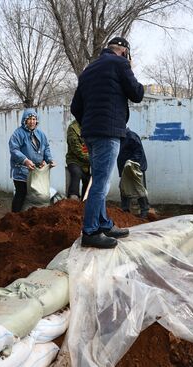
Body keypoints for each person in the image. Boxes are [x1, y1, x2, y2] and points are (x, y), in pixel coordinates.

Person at [71, 36, 144, 248]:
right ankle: (91, 231)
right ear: (124, 52)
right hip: (108, 132)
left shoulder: (88, 70)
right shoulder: (120, 63)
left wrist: (90, 122)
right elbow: (137, 93)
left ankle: (103, 223)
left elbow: (76, 107)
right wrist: (129, 67)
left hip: (91, 133)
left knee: (98, 179)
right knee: (101, 184)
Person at [9, 109, 55, 212]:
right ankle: (14, 217)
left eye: (34, 119)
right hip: (21, 171)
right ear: (24, 120)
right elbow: (14, 150)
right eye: (29, 119)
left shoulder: (40, 134)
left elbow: (46, 147)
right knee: (21, 193)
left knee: (35, 194)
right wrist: (25, 160)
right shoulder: (18, 134)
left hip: (35, 171)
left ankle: (29, 216)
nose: (32, 121)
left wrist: (49, 159)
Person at [117, 127, 150, 218]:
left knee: (138, 188)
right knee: (123, 188)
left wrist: (130, 163)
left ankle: (145, 210)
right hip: (125, 169)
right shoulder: (121, 138)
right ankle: (125, 210)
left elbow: (138, 152)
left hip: (135, 168)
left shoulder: (131, 136)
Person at [66, 119, 90, 200]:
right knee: (76, 173)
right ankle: (73, 198)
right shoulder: (73, 128)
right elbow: (77, 150)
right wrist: (92, 159)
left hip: (89, 162)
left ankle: (85, 201)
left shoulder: (91, 125)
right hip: (75, 160)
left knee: (89, 179)